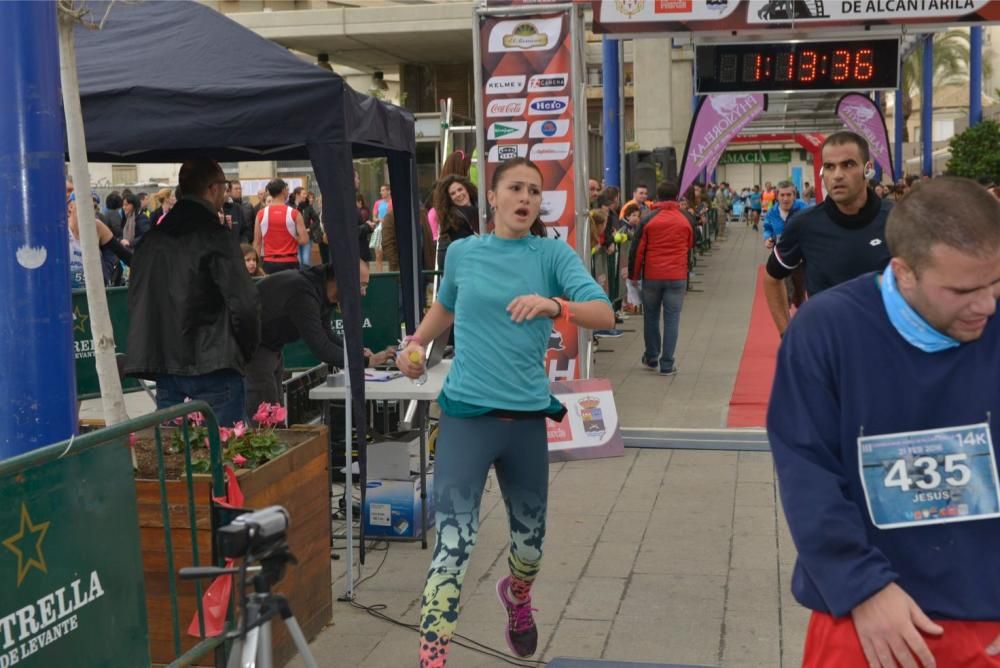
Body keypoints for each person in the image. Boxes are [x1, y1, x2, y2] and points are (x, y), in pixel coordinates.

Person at [768, 176, 1000, 667]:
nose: (986, 305)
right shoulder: (825, 331)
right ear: (904, 272)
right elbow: (807, 471)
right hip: (867, 616)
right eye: (962, 290)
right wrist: (863, 587)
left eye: (995, 283)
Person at [396, 158, 613, 668]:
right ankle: (432, 660)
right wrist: (416, 343)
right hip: (467, 415)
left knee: (531, 548)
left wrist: (553, 306)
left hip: (525, 422)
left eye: (535, 192)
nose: (526, 199)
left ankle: (517, 596)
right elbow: (445, 306)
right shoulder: (462, 253)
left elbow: (603, 311)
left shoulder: (551, 255)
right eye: (515, 188)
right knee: (453, 545)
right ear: (490, 197)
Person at [125, 158, 260, 426]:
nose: (225, 191)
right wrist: (244, 350)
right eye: (224, 185)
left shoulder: (153, 239)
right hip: (214, 364)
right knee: (224, 458)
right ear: (212, 188)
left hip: (168, 362)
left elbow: (138, 299)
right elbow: (245, 304)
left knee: (176, 460)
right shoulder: (216, 235)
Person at [764, 131, 893, 335]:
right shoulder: (804, 224)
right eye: (830, 167)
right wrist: (787, 335)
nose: (838, 175)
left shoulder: (897, 219)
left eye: (848, 164)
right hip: (825, 353)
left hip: (886, 351)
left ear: (867, 169)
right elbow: (772, 277)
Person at [244, 260, 393, 416]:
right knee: (266, 420)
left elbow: (326, 332)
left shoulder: (321, 290)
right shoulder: (304, 293)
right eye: (361, 285)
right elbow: (321, 348)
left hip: (269, 346)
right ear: (343, 280)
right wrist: (365, 361)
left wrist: (355, 352)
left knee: (275, 415)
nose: (363, 293)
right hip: (255, 347)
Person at [629, 180, 695, 375]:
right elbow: (691, 244)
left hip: (652, 276)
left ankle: (651, 357)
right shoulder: (686, 218)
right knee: (672, 319)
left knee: (651, 316)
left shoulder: (648, 218)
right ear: (676, 196)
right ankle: (667, 364)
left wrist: (634, 275)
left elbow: (637, 249)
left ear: (657, 195)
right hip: (677, 277)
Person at [253, 178, 309, 274]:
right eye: (287, 189)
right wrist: (293, 237)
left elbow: (257, 243)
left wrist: (256, 266)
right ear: (283, 190)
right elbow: (304, 240)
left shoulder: (261, 214)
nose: (288, 192)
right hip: (290, 263)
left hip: (269, 263)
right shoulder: (294, 213)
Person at [433, 174, 478, 275]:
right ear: (449, 199)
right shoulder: (454, 218)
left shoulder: (479, 206)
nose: (458, 194)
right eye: (453, 193)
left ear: (467, 189)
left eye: (460, 189)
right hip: (466, 269)